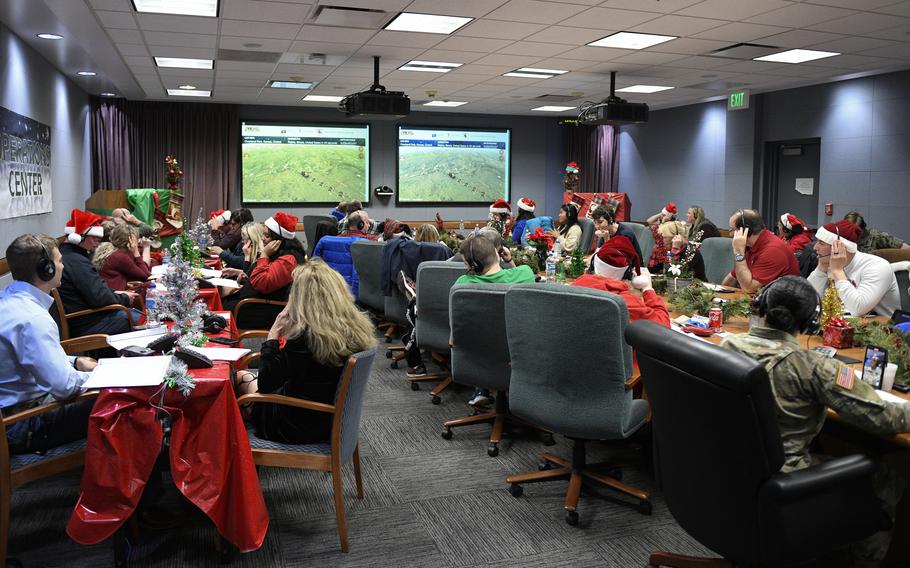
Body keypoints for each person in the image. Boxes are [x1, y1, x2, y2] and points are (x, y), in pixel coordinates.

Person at [721, 276, 910, 566]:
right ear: (811, 323)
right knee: (885, 476)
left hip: (727, 470)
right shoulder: (814, 367)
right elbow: (884, 419)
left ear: (762, 306)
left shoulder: (727, 345)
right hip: (782, 478)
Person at [234, 260, 376, 444]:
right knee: (245, 380)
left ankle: (236, 453)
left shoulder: (307, 338)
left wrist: (273, 335)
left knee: (237, 379)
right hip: (330, 419)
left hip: (296, 423)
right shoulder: (356, 328)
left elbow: (266, 384)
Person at [0, 234, 98, 453]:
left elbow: (30, 358)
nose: (63, 266)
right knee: (118, 396)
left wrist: (75, 361)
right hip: (21, 426)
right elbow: (64, 388)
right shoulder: (33, 319)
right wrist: (106, 376)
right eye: (59, 261)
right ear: (47, 270)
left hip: (13, 413)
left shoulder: (8, 298)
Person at [453, 234, 536, 406]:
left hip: (478, 357)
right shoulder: (525, 273)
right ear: (497, 254)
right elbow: (517, 277)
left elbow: (454, 336)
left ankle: (482, 389)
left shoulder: (462, 285)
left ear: (470, 265)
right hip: (518, 356)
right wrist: (510, 261)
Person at [57, 209, 140, 336]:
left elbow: (94, 288)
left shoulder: (69, 254)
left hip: (84, 317)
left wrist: (115, 292)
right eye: (95, 239)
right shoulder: (77, 261)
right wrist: (124, 298)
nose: (97, 244)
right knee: (141, 320)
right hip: (86, 323)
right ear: (79, 237)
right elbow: (99, 298)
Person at [222, 212, 307, 328]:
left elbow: (262, 283)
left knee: (221, 310)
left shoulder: (288, 260)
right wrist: (245, 278)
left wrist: (264, 255)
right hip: (256, 301)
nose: (262, 239)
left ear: (278, 240)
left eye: (267, 236)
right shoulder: (278, 254)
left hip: (266, 310)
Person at [808, 220, 900, 317]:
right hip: (840, 324)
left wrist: (838, 272)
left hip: (882, 328)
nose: (815, 247)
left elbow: (858, 309)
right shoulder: (829, 263)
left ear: (841, 247)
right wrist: (821, 268)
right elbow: (807, 300)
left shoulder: (877, 266)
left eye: (821, 243)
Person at [572, 236, 670, 328]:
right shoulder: (623, 302)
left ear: (592, 265)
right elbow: (663, 327)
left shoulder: (574, 287)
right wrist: (648, 289)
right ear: (627, 274)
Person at [721, 209, 799, 294]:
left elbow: (748, 288)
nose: (730, 234)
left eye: (732, 229)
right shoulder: (749, 245)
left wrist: (739, 253)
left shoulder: (773, 251)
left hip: (781, 303)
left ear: (747, 231)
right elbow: (732, 278)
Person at [96, 223, 152, 293]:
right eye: (137, 239)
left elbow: (144, 270)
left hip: (112, 291)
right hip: (116, 296)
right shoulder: (120, 256)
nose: (138, 241)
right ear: (131, 241)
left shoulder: (115, 251)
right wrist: (136, 252)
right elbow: (146, 276)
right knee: (150, 285)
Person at [844, 211, 910, 253]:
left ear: (862, 229)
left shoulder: (874, 236)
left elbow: (905, 248)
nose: (851, 234)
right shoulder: (841, 237)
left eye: (855, 231)